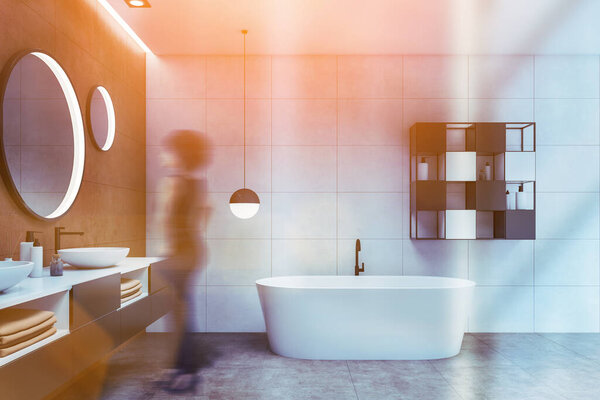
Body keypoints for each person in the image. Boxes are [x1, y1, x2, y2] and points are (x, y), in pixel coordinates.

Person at [154, 129, 211, 393]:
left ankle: (185, 370)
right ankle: (180, 367)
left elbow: (165, 220)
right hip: (192, 250)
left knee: (179, 313)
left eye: (168, 150)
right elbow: (205, 212)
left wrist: (166, 253)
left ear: (179, 154)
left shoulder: (174, 182)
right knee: (181, 310)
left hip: (179, 253)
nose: (163, 155)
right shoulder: (197, 182)